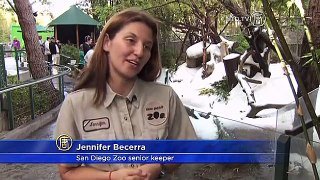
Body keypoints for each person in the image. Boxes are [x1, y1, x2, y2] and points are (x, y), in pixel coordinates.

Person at [55, 8, 197, 180]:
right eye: (131, 40)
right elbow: (68, 171)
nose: (139, 52)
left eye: (147, 46)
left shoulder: (165, 97)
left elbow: (184, 147)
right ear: (107, 42)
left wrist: (159, 165)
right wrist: (111, 177)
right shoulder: (75, 104)